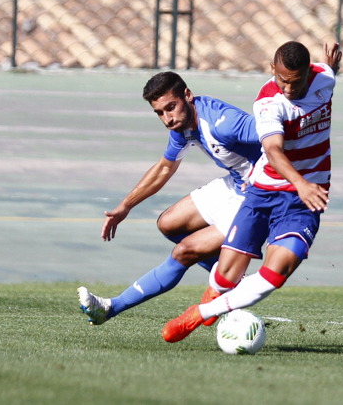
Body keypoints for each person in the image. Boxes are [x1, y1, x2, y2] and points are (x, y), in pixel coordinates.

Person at [162, 41, 342, 342]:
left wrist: (331, 64)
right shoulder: (268, 103)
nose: (287, 88)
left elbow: (327, 72)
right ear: (272, 70)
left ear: (309, 75)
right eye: (281, 79)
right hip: (263, 193)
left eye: (295, 82)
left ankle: (200, 313)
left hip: (302, 202)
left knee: (276, 273)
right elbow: (272, 150)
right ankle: (217, 292)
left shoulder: (324, 78)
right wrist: (300, 182)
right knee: (226, 275)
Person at [77, 71, 261, 326]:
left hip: (261, 196)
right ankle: (231, 281)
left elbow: (277, 132)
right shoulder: (183, 125)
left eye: (170, 108)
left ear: (187, 95)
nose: (167, 118)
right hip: (237, 183)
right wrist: (125, 206)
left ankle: (110, 308)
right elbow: (165, 167)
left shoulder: (223, 123)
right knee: (169, 223)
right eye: (160, 113)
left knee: (184, 251)